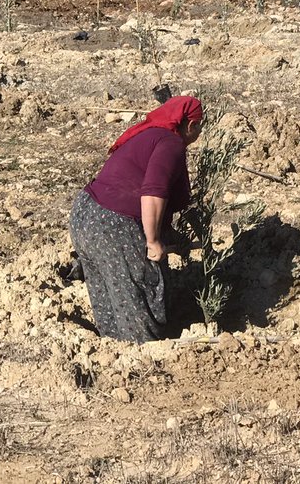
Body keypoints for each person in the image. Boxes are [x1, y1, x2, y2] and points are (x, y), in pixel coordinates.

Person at [69, 96, 204, 342]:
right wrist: (152, 241)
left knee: (109, 297)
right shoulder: (171, 142)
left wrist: (171, 237)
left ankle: (115, 355)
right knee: (139, 300)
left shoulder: (148, 134)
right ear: (191, 125)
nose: (199, 132)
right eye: (199, 126)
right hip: (112, 225)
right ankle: (145, 359)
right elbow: (153, 192)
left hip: (84, 215)